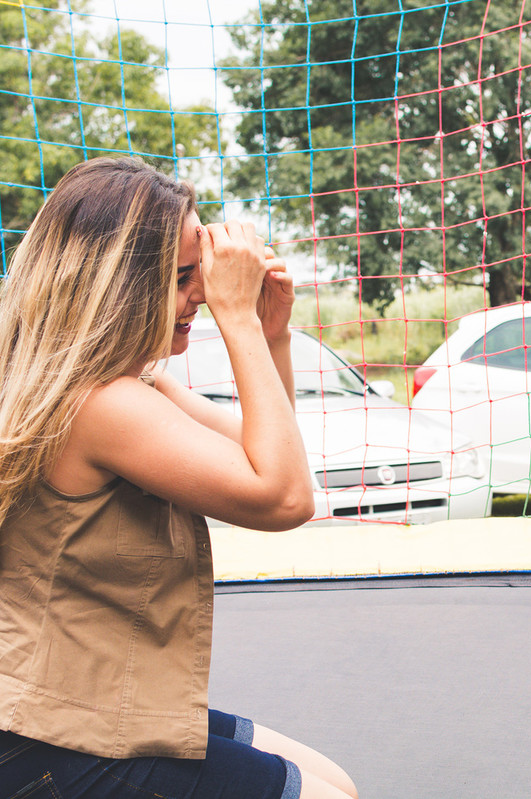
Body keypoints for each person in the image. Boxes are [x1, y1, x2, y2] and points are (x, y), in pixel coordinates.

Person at [0, 157, 357, 798]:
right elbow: (283, 499)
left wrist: (271, 337)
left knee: (331, 781)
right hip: (50, 737)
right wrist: (238, 319)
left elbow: (266, 454)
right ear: (120, 283)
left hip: (90, 703)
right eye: (185, 278)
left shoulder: (120, 383)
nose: (200, 295)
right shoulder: (103, 405)